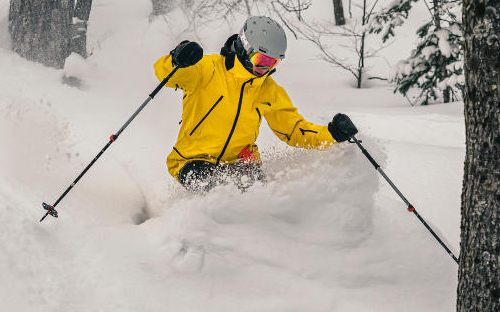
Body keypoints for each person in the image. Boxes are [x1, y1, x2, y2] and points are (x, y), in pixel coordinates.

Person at [153, 16, 359, 191]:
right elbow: (167, 75)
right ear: (245, 47)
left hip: (242, 161)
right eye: (261, 60)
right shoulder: (207, 68)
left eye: (272, 63)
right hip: (192, 160)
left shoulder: (268, 89)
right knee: (213, 189)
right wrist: (177, 58)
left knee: (257, 200)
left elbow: (294, 130)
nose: (265, 69)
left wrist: (331, 134)